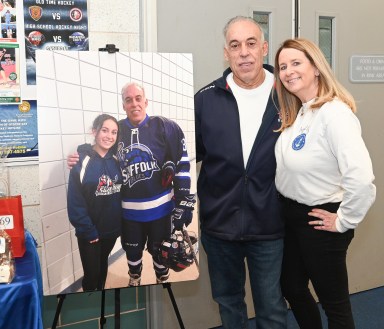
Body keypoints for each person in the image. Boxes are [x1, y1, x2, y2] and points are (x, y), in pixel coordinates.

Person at [274, 38, 376, 329]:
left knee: (335, 307)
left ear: (316, 68)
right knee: (291, 287)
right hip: (293, 217)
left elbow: (361, 178)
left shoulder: (335, 114)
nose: (288, 71)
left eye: (296, 63)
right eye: (283, 66)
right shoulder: (301, 111)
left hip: (321, 220)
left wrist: (344, 220)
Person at [194, 16, 287, 329]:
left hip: (271, 224)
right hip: (220, 227)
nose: (244, 52)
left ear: (263, 49)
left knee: (272, 308)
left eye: (251, 44)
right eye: (235, 45)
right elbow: (180, 156)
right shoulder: (205, 99)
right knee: (229, 304)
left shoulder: (288, 95)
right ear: (226, 53)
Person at [68, 82, 195, 286]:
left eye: (138, 98)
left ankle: (161, 277)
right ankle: (134, 276)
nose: (134, 104)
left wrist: (183, 201)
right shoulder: (117, 131)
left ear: (146, 101)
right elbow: (99, 152)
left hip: (161, 211)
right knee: (132, 251)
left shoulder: (165, 126)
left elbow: (182, 163)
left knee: (160, 250)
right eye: (128, 100)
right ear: (123, 105)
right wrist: (81, 152)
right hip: (129, 213)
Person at [67, 114, 122, 291]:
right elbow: (75, 202)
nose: (109, 136)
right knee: (91, 277)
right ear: (94, 131)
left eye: (114, 132)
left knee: (102, 268)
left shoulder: (117, 160)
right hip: (89, 233)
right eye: (105, 130)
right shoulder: (81, 162)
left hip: (111, 231)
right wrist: (88, 231)